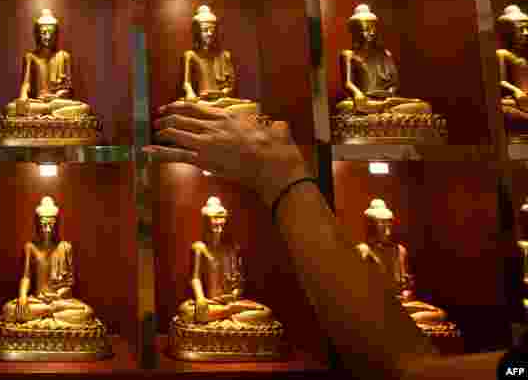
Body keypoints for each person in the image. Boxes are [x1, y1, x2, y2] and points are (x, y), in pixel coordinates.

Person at [147, 100, 505, 378]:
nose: (218, 225)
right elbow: (199, 284)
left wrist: (281, 177)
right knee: (194, 312)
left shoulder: (395, 250)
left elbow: (405, 366)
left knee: (259, 315)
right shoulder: (203, 248)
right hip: (215, 309)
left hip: (237, 309)